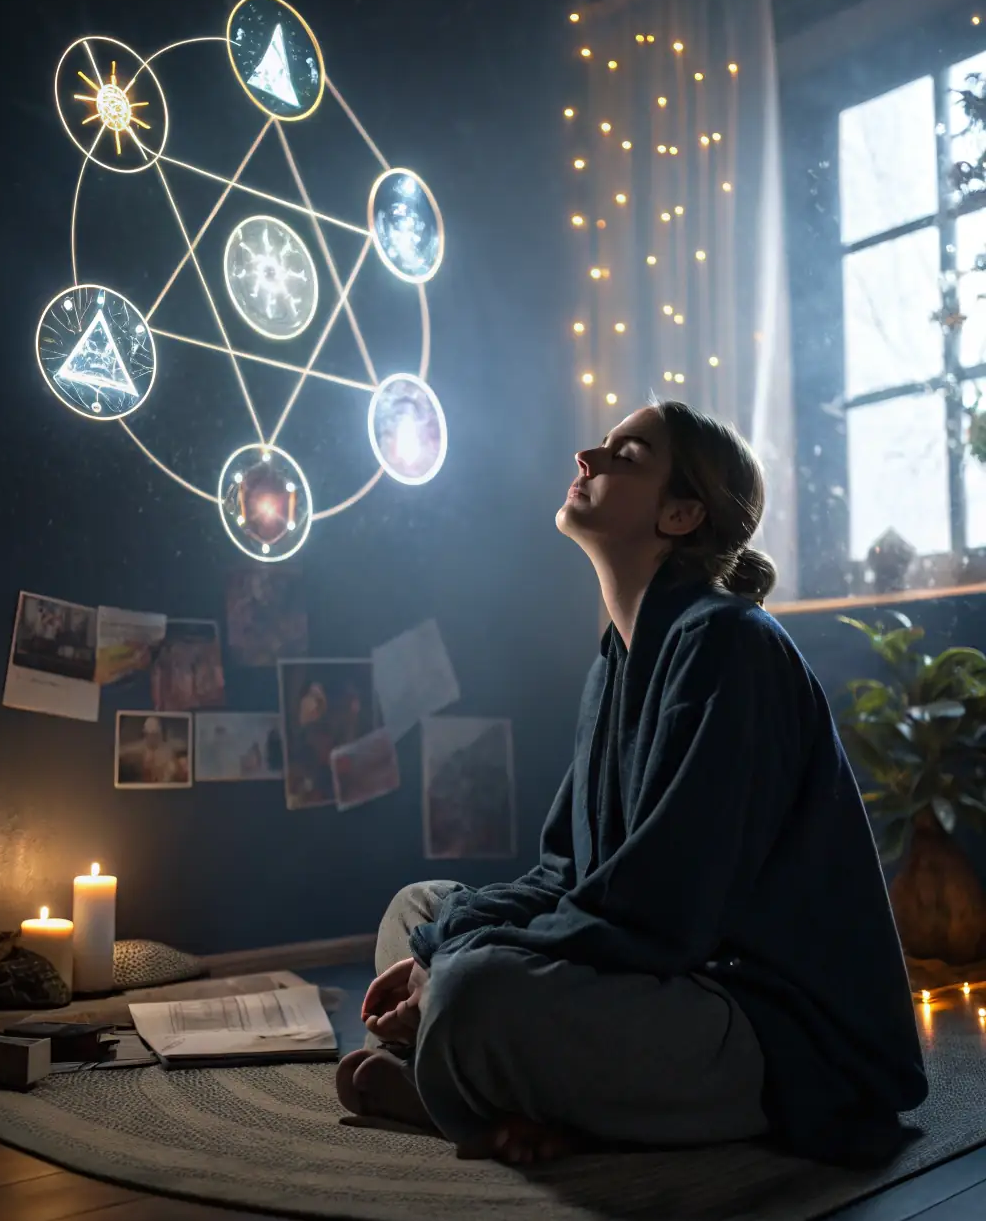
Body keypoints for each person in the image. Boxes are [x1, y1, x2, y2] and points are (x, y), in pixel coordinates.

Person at [336, 400, 927, 1167]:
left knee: (472, 991)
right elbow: (566, 873)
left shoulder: (728, 645)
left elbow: (662, 909)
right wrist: (440, 939)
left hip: (765, 1025)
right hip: (654, 973)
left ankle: (479, 1088)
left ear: (683, 512)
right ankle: (509, 1093)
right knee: (415, 909)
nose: (589, 455)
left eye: (628, 452)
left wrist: (450, 960)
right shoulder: (615, 662)